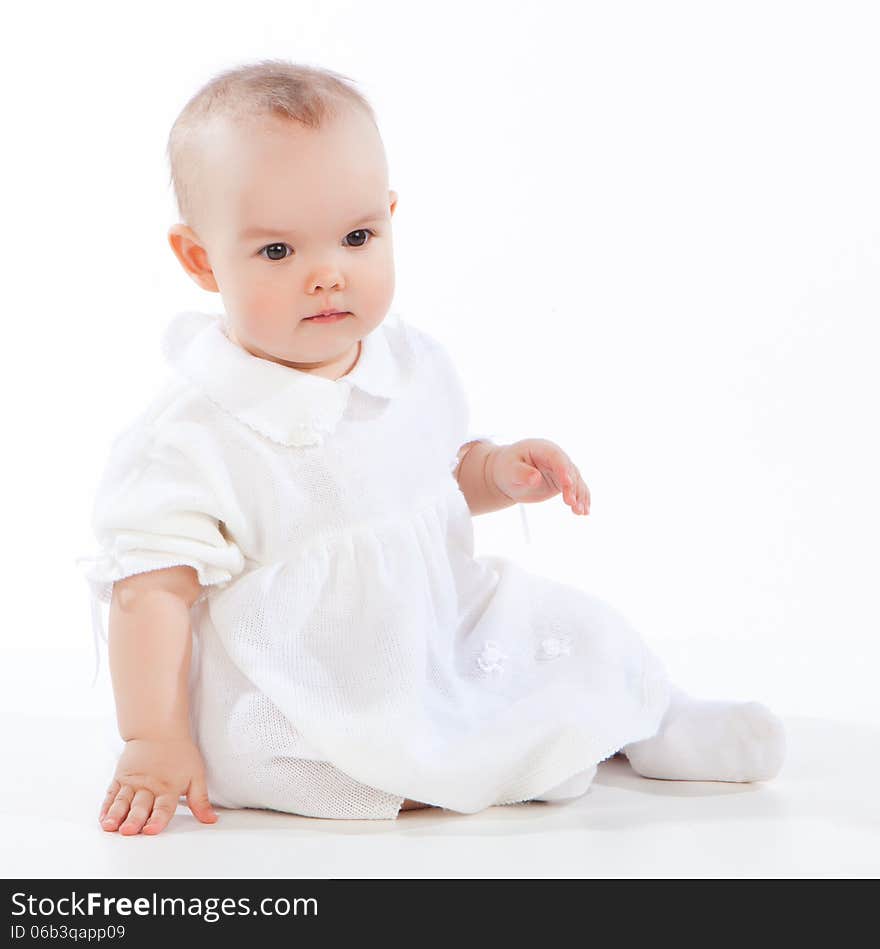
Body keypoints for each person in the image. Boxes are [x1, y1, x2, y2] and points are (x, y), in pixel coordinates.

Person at [77, 60, 786, 836]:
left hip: (432, 623)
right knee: (320, 760)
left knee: (573, 626)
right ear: (201, 260)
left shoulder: (405, 362)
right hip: (303, 680)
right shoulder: (194, 433)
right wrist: (153, 738)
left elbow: (432, 473)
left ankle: (652, 718)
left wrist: (497, 470)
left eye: (356, 237)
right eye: (278, 252)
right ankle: (517, 749)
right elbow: (151, 591)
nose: (327, 274)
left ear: (388, 216)